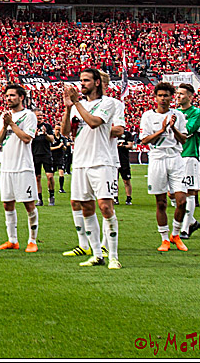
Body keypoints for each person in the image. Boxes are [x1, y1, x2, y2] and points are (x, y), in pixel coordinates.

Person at [60, 68, 121, 269]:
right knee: (86, 207)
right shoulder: (78, 106)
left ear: (97, 82)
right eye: (81, 80)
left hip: (101, 161)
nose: (82, 84)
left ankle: (113, 256)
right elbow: (65, 132)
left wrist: (76, 103)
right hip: (80, 162)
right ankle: (96, 255)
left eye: (86, 80)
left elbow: (94, 123)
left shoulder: (108, 103)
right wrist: (68, 108)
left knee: (105, 206)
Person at [139, 82, 189, 252]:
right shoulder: (147, 116)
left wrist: (173, 128)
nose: (163, 99)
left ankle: (176, 234)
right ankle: (164, 239)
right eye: (160, 95)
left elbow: (183, 139)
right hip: (157, 158)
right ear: (155, 97)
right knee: (161, 202)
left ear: (171, 97)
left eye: (166, 95)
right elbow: (144, 140)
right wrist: (162, 130)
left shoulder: (178, 115)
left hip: (175, 159)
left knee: (182, 201)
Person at [0, 84, 39, 252]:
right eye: (7, 96)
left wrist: (11, 123)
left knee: (29, 205)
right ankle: (12, 240)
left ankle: (32, 241)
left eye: (12, 95)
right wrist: (5, 125)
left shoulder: (29, 115)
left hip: (23, 167)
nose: (9, 98)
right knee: (7, 204)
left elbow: (26, 138)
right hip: (7, 167)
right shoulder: (4, 116)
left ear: (21, 97)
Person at [176, 84, 200, 240]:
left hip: (189, 155)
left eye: (182, 94)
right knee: (172, 194)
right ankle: (192, 221)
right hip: (175, 155)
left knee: (190, 191)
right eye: (177, 93)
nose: (178, 96)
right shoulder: (174, 112)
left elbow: (188, 129)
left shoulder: (196, 112)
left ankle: (185, 229)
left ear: (190, 96)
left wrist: (173, 128)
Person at [99, 72, 126, 205]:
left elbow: (119, 130)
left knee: (107, 203)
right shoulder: (82, 105)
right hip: (85, 159)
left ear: (104, 84)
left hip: (108, 157)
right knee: (83, 204)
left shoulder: (115, 104)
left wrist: (94, 128)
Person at [31, 110, 56, 206]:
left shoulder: (47, 126)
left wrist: (46, 134)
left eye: (41, 115)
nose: (40, 117)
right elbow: (26, 139)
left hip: (46, 154)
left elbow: (52, 139)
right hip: (35, 154)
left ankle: (51, 195)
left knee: (50, 176)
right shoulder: (31, 126)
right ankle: (39, 199)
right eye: (38, 115)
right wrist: (33, 135)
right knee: (37, 177)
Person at [51, 124, 69, 194]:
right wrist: (58, 147)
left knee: (61, 172)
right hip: (53, 157)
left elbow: (65, 148)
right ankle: (51, 189)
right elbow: (49, 148)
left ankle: (61, 188)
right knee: (51, 175)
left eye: (59, 129)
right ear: (54, 129)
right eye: (56, 129)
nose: (58, 131)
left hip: (60, 157)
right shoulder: (52, 138)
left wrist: (63, 146)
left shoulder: (62, 138)